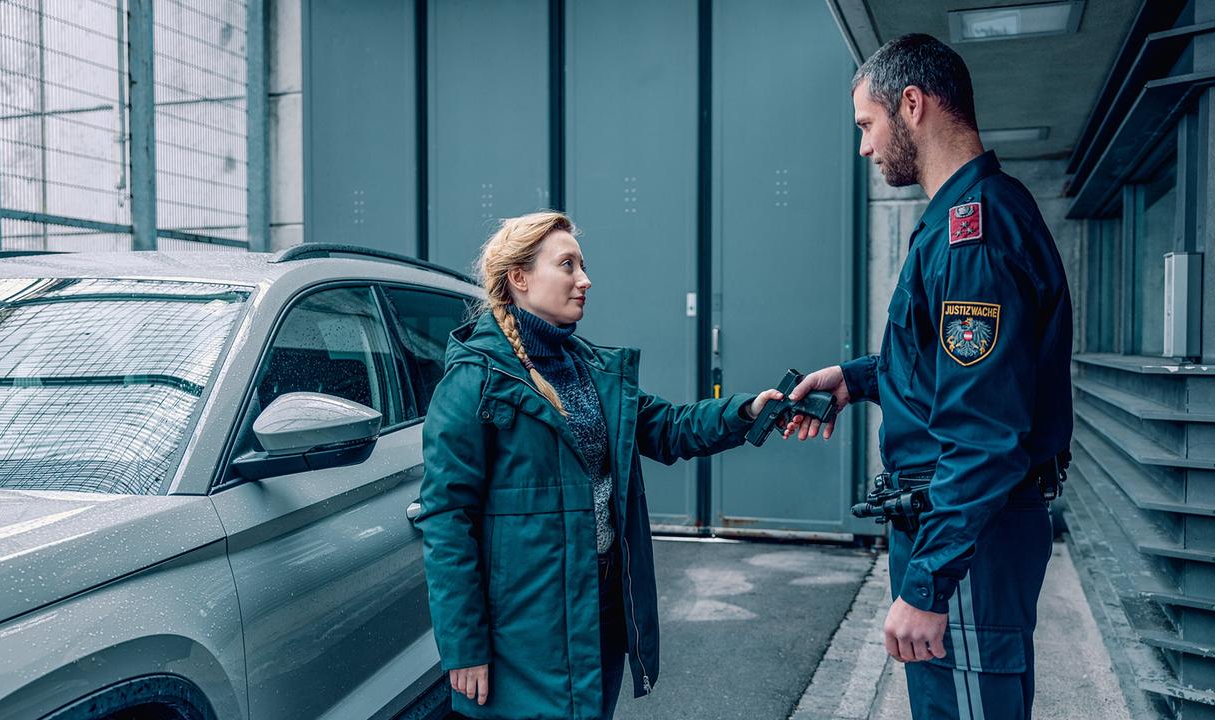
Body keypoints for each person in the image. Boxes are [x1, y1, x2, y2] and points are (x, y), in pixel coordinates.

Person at [785, 34, 1073, 720]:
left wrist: (929, 583)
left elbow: (984, 431)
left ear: (911, 104)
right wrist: (854, 380)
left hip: (970, 538)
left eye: (867, 125)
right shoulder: (958, 220)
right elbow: (945, 370)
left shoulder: (973, 235)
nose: (863, 147)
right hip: (960, 527)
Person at [415, 211, 783, 720]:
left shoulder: (590, 368)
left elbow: (670, 427)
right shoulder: (475, 380)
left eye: (582, 265)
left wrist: (746, 412)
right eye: (567, 265)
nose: (584, 280)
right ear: (519, 278)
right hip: (525, 625)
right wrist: (464, 646)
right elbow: (445, 518)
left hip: (601, 603)